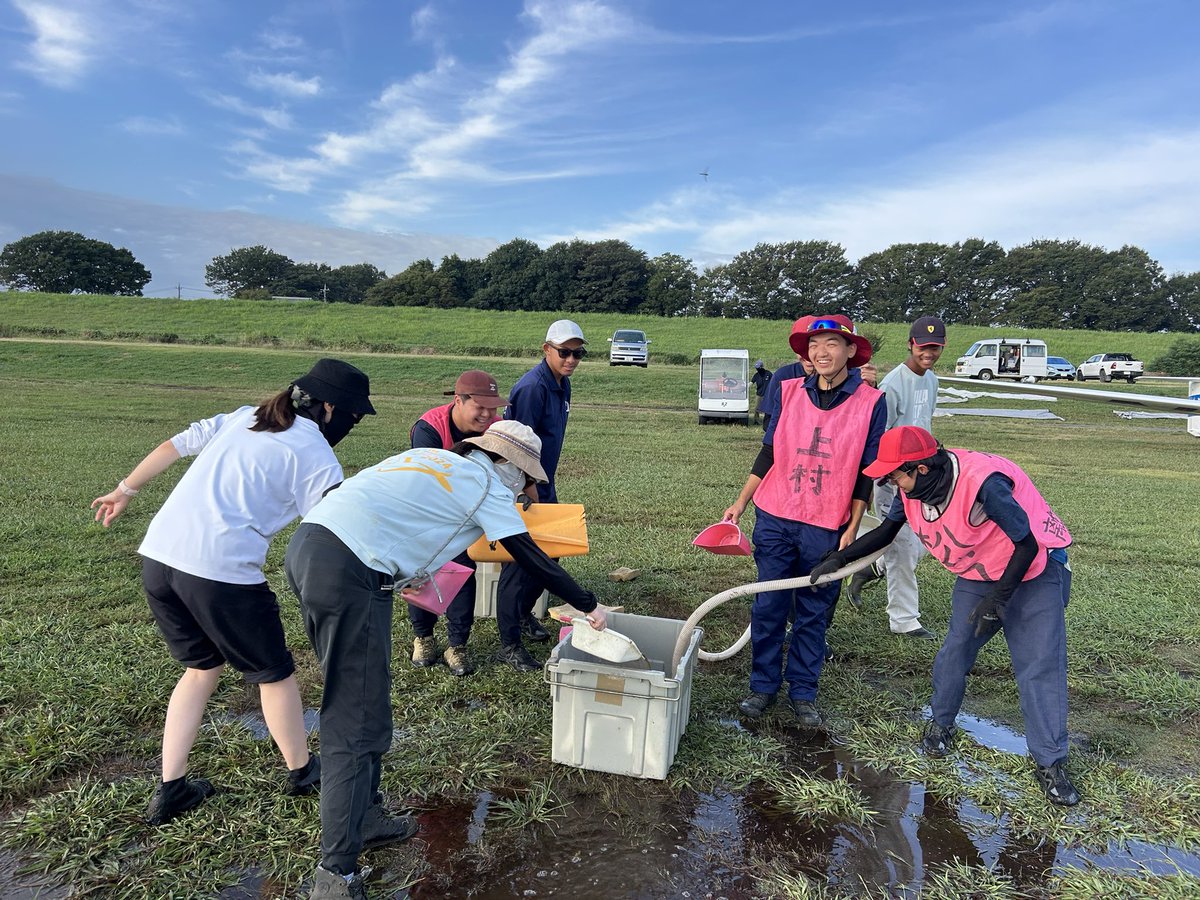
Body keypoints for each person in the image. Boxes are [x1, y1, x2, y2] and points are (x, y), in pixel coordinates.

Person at [284, 420, 608, 899]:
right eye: (525, 477)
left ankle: (366, 817)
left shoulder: (431, 458)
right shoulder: (488, 487)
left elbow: (385, 507)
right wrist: (588, 604)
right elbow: (532, 557)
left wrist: (403, 565)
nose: (525, 489)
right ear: (507, 464)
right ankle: (336, 876)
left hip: (310, 548)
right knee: (355, 718)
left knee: (366, 699)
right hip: (350, 571)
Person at [90, 359, 375, 826]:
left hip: (159, 559)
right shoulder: (314, 451)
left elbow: (172, 445)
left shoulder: (245, 416)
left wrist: (125, 490)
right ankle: (303, 772)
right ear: (329, 408)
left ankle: (172, 788)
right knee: (274, 674)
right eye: (354, 416)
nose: (351, 424)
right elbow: (331, 525)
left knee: (201, 669)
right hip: (220, 572)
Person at [809, 426, 1079, 806]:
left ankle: (1051, 764)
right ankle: (940, 726)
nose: (891, 483)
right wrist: (840, 559)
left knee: (1038, 666)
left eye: (895, 475)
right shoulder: (913, 490)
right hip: (981, 573)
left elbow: (1027, 544)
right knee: (955, 651)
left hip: (1034, 571)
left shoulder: (983, 484)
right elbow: (887, 531)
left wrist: (999, 598)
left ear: (921, 468)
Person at [723, 315, 886, 726]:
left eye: (831, 343)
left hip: (827, 524)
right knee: (769, 605)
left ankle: (802, 692)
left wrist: (853, 526)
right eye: (814, 345)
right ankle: (762, 687)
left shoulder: (871, 402)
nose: (821, 352)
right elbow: (769, 452)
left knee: (814, 611)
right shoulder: (789, 391)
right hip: (776, 516)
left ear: (851, 350)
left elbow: (867, 471)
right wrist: (741, 502)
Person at [494, 319, 587, 672]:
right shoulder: (532, 387)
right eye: (564, 352)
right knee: (519, 564)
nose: (571, 359)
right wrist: (526, 488)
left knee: (552, 553)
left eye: (578, 353)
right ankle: (509, 644)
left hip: (544, 483)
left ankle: (522, 614)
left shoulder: (562, 383)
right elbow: (515, 445)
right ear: (546, 349)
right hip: (523, 486)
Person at [848, 316, 945, 641]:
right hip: (893, 477)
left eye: (935, 347)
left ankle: (871, 566)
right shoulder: (893, 384)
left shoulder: (931, 380)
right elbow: (877, 435)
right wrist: (879, 479)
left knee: (928, 538)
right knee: (902, 545)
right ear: (910, 344)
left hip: (923, 477)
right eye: (922, 347)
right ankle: (904, 620)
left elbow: (924, 424)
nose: (928, 353)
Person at [407, 370, 508, 677]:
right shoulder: (429, 428)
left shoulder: (495, 427)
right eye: (480, 407)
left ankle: (457, 645)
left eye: (492, 408)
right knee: (423, 570)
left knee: (462, 570)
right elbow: (429, 481)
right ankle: (423, 637)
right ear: (458, 401)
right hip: (426, 508)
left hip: (467, 511)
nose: (488, 415)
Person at [750, 360, 773, 427]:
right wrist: (745, 387)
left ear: (762, 367)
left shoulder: (768, 373)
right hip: (759, 395)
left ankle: (767, 421)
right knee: (756, 408)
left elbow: (773, 381)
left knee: (768, 408)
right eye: (756, 368)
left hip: (767, 395)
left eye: (759, 368)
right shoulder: (756, 375)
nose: (757, 369)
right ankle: (756, 420)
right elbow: (751, 383)